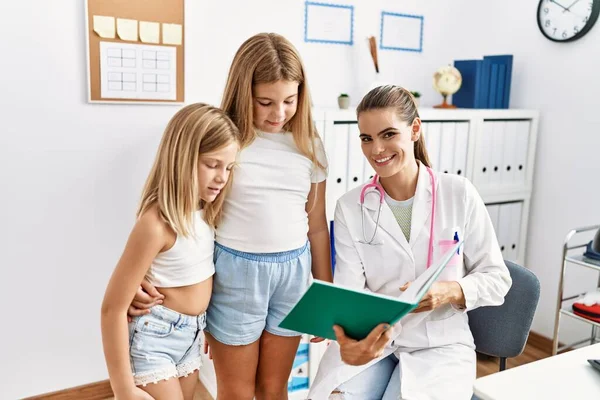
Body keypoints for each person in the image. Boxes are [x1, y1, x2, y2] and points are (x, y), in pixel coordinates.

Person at [129, 33, 333, 400]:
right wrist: (145, 274)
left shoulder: (309, 145)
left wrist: (326, 292)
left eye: (289, 100)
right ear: (243, 93)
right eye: (265, 102)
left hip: (294, 273)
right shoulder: (228, 140)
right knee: (237, 390)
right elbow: (186, 211)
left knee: (274, 388)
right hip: (236, 274)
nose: (278, 113)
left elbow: (316, 224)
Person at [307, 85, 512, 400]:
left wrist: (451, 291)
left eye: (388, 134)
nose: (377, 149)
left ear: (415, 129)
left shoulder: (458, 193)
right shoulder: (350, 207)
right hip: (376, 342)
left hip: (439, 344)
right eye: (367, 138)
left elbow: (498, 279)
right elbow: (350, 292)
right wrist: (343, 331)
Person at [101, 103, 240, 400]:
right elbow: (112, 309)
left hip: (192, 335)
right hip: (155, 337)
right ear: (183, 158)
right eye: (212, 165)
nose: (222, 177)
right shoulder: (156, 224)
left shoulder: (209, 211)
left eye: (229, 167)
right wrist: (123, 390)